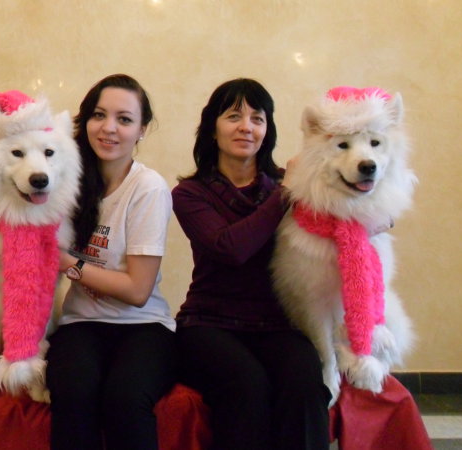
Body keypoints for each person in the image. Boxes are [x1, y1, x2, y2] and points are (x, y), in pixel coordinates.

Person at [172, 78, 331, 450]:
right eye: (233, 116)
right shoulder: (190, 194)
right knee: (247, 385)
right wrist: (286, 193)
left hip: (278, 323)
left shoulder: (287, 186)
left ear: (266, 131)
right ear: (212, 128)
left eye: (257, 119)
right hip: (208, 324)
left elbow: (343, 210)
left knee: (304, 380)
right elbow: (231, 248)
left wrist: (377, 216)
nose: (246, 127)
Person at [46, 74, 177, 450]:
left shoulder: (148, 188)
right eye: (99, 115)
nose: (109, 128)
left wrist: (68, 263)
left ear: (141, 130)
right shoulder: (65, 183)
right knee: (73, 393)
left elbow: (137, 290)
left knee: (125, 399)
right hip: (80, 324)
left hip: (144, 327)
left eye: (124, 119)